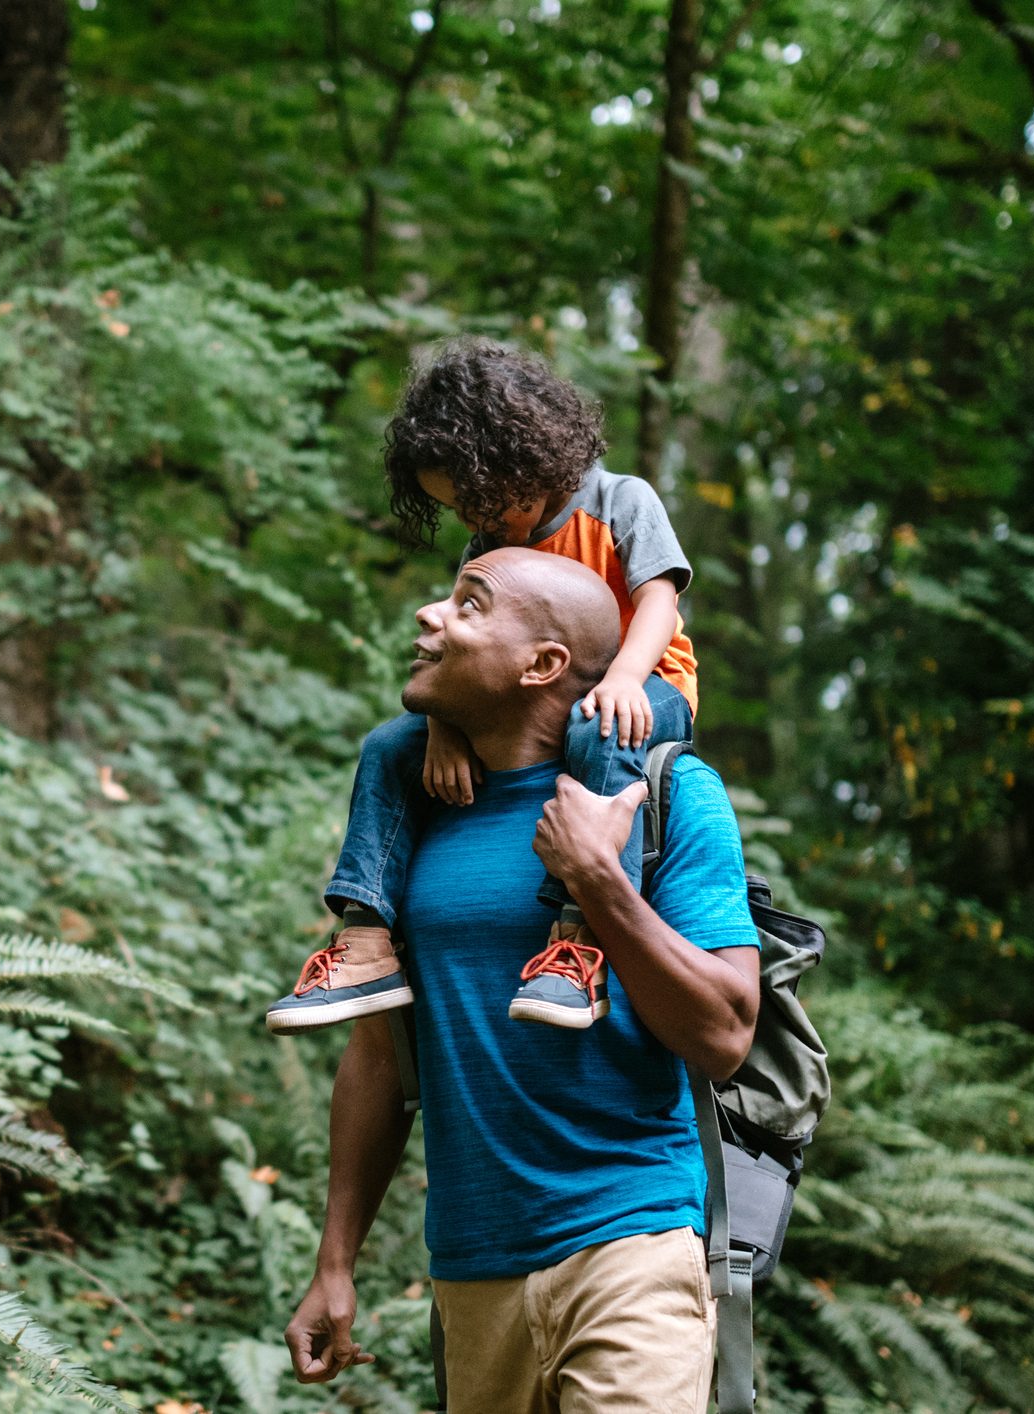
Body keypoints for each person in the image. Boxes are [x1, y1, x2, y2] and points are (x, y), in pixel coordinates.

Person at [283, 548, 760, 1412]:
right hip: (472, 1276)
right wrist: (335, 1262)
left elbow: (726, 1034)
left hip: (631, 1246)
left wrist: (600, 883)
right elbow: (383, 1057)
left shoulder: (665, 795)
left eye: (468, 606)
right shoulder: (413, 810)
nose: (428, 615)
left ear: (540, 665)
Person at [266, 337, 701, 1034]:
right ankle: (364, 940)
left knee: (600, 726)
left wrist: (624, 676)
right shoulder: (489, 548)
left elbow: (659, 601)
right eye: (459, 510)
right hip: (528, 699)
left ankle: (576, 936)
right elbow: (455, 657)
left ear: (522, 455)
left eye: (480, 499)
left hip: (643, 683)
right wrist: (443, 727)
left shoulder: (620, 500)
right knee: (387, 747)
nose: (475, 522)